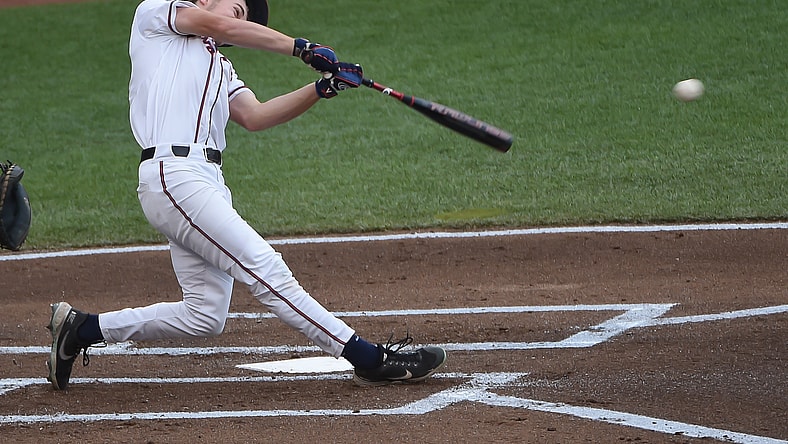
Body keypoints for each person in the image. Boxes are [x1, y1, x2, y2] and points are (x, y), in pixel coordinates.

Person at [46, 0, 446, 390]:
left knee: (204, 315)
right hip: (174, 175)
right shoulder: (157, 15)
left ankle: (83, 328)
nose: (239, 18)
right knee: (266, 268)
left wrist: (322, 88)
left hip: (206, 181)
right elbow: (219, 26)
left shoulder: (220, 66)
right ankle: (367, 358)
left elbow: (255, 115)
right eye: (238, 7)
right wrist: (299, 47)